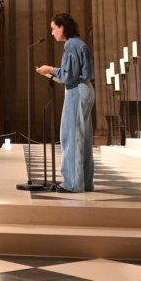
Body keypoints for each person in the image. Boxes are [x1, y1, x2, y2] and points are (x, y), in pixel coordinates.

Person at [35, 12, 94, 193]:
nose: (52, 33)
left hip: (76, 91)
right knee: (83, 138)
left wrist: (50, 69)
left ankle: (72, 183)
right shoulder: (80, 43)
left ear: (62, 27)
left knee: (71, 135)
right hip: (86, 89)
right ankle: (85, 182)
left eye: (53, 29)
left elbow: (69, 75)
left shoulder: (71, 45)